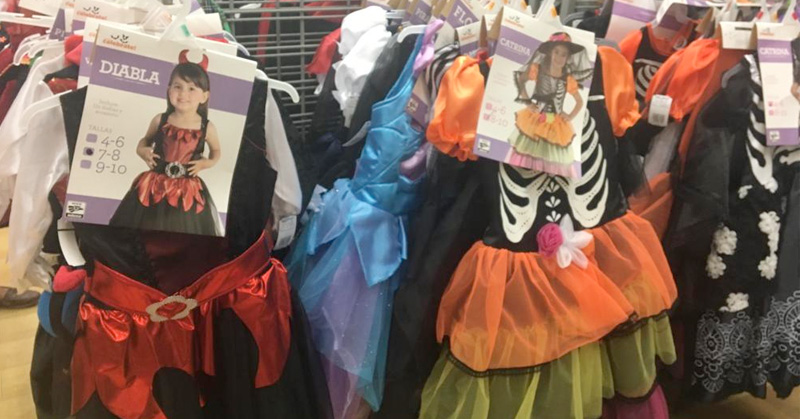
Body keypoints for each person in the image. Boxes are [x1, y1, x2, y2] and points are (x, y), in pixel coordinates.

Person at [110, 50, 223, 235]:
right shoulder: (160, 120)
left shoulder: (206, 127)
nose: (183, 93)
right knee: (144, 228)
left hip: (187, 189)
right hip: (154, 185)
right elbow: (144, 141)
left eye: (192, 88)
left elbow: (216, 152)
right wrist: (143, 151)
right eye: (177, 86)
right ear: (168, 89)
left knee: (181, 230)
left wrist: (205, 163)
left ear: (204, 96)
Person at [507, 32, 593, 175]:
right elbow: (521, 80)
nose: (559, 57)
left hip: (556, 123)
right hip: (535, 119)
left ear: (568, 58)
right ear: (549, 53)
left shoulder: (568, 79)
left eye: (563, 54)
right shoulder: (537, 69)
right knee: (527, 152)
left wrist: (570, 116)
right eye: (556, 52)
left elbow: (579, 101)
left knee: (553, 159)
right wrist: (528, 102)